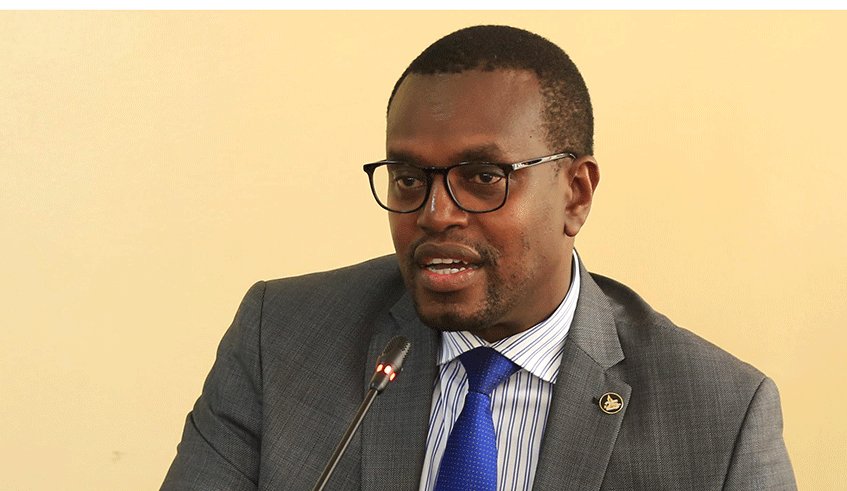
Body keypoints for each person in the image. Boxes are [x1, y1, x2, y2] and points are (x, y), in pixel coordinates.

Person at [160, 25, 796, 491]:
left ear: (576, 194)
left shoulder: (720, 418)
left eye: (484, 177)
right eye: (409, 178)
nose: (436, 214)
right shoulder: (284, 338)